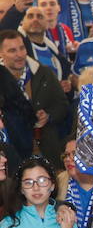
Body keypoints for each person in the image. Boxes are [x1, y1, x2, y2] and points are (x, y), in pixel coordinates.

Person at [0, 30, 68, 169]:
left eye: (22, 48)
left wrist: (48, 116)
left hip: (46, 149)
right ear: (1, 53)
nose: (19, 54)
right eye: (12, 50)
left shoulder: (44, 73)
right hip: (11, 154)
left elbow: (62, 105)